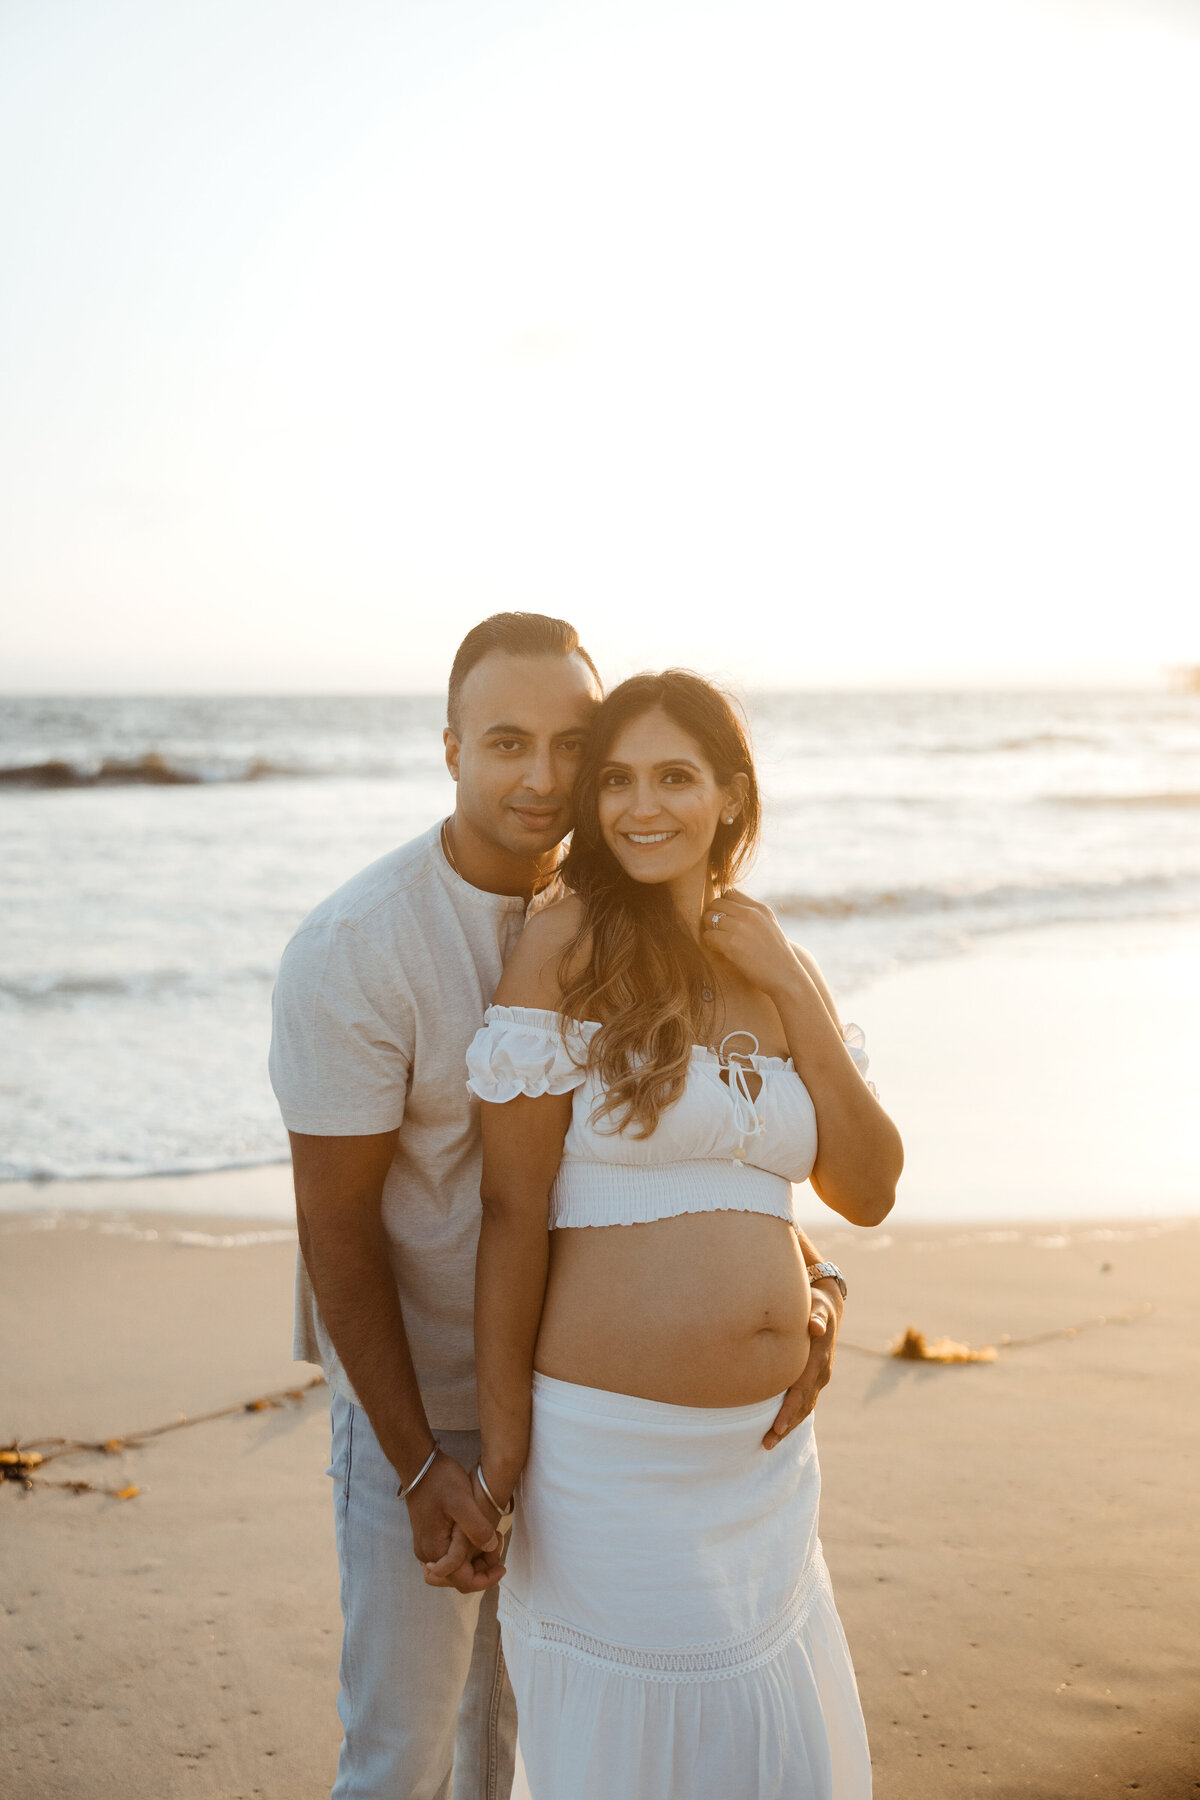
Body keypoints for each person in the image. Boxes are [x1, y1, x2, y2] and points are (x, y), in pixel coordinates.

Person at [270, 622, 853, 1800]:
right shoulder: (357, 948)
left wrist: (803, 1272)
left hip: (580, 1412)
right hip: (427, 1403)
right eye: (504, 743)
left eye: (568, 747)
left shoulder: (630, 914)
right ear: (449, 749)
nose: (540, 778)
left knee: (521, 1745)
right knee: (408, 1750)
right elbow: (333, 1235)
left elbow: (681, 1147)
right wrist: (419, 1460)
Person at [456, 670, 903, 1799]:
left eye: (674, 777)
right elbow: (512, 1214)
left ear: (730, 796)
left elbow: (868, 1184)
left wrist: (793, 996)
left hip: (763, 1462)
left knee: (769, 1755)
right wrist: (502, 1450)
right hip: (614, 1460)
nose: (640, 807)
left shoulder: (772, 958)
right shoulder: (562, 947)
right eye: (616, 780)